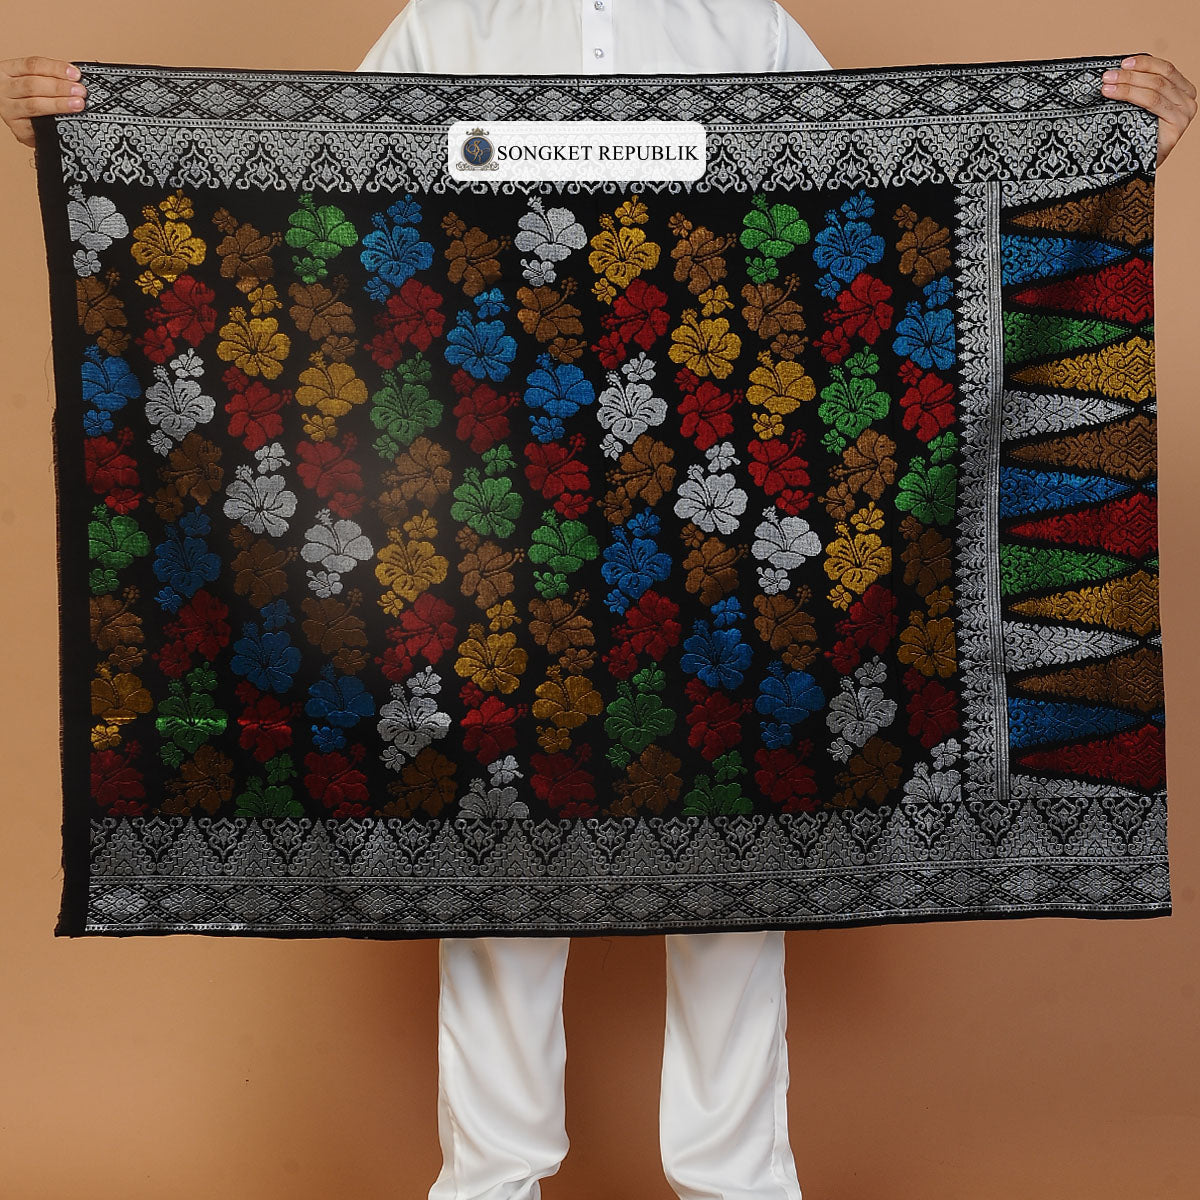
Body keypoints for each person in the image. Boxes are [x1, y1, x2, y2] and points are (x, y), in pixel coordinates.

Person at [1, 6, 1195, 1199]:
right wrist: (100, 133)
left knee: (743, 838)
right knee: (488, 848)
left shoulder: (745, 23)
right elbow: (317, 205)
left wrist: (1098, 144)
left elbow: (886, 208)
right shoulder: (449, 22)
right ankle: (490, 1184)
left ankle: (737, 1187)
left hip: (719, 511)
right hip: (493, 510)